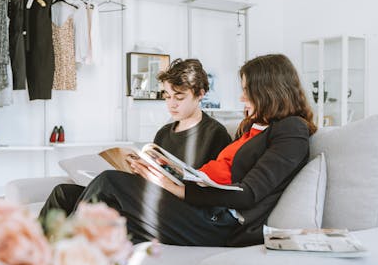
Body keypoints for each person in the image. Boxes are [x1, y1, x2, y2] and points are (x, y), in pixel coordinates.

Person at [41, 54, 316, 247]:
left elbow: (248, 194)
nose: (242, 97)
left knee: (109, 183)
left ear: (270, 90)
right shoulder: (254, 127)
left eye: (247, 90)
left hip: (220, 222)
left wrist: (177, 189)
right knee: (65, 193)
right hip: (197, 206)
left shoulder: (291, 130)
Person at [39, 58, 232, 217]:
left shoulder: (215, 134)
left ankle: (69, 249)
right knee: (62, 192)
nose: (171, 104)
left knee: (108, 181)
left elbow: (212, 190)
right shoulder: (164, 133)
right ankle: (31, 257)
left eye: (179, 97)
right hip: (149, 194)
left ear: (200, 94)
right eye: (167, 96)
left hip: (178, 207)